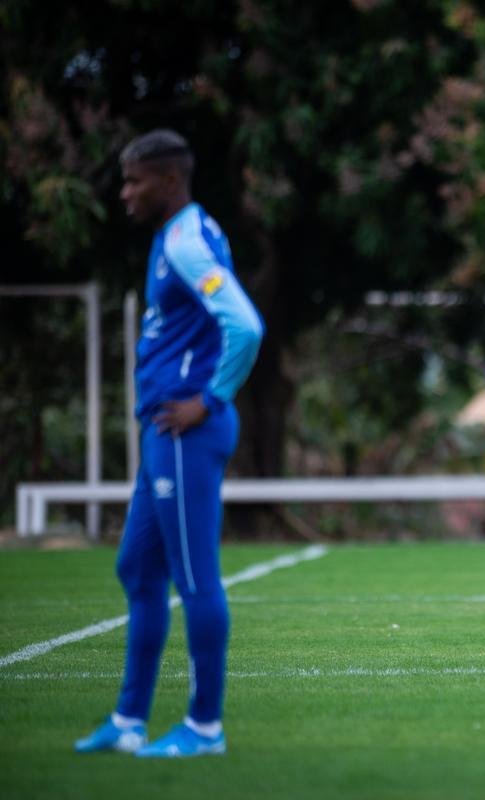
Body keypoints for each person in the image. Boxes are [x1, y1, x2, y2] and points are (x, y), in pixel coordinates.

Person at [75, 129, 263, 758]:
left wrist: (210, 399)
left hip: (187, 433)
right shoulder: (178, 236)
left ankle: (204, 728)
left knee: (194, 578)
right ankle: (129, 721)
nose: (125, 193)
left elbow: (246, 324)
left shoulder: (185, 243)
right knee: (136, 567)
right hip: (164, 433)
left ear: (170, 180)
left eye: (135, 181)